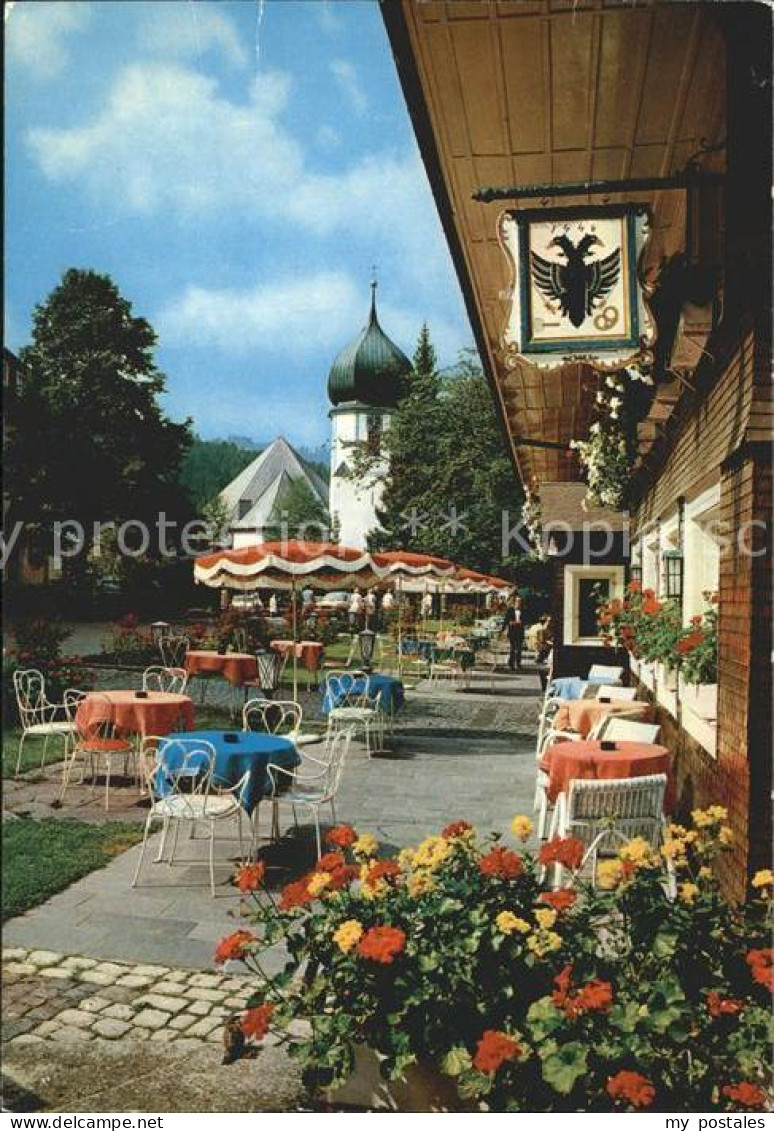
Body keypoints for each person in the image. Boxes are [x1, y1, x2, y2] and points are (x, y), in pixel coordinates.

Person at [501, 593, 525, 671]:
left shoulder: (523, 610)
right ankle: (511, 663)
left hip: (520, 631)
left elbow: (527, 619)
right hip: (512, 632)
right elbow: (506, 620)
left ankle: (518, 663)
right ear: (515, 602)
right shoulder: (510, 610)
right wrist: (503, 629)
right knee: (512, 648)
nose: (519, 603)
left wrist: (522, 622)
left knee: (519, 649)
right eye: (517, 602)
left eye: (520, 602)